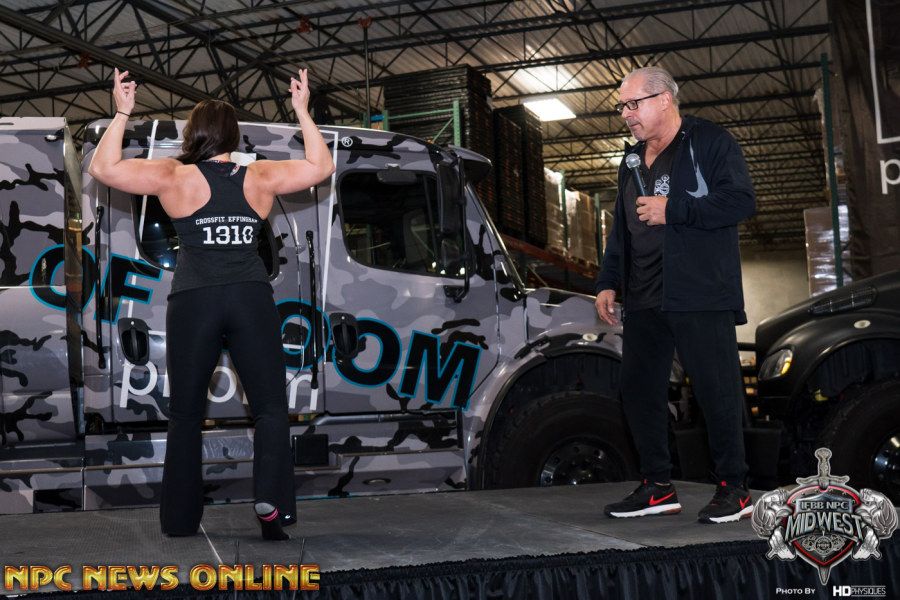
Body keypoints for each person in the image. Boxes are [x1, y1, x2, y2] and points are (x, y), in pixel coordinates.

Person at [88, 67, 334, 540]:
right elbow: (321, 168)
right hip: (249, 297)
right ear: (233, 136)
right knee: (269, 408)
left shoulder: (173, 175)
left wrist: (121, 113)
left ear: (193, 134)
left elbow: (103, 168)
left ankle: (180, 520)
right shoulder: (259, 175)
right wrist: (302, 112)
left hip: (194, 300)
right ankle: (272, 508)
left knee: (185, 414)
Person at [594, 66, 756, 524]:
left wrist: (675, 209)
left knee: (716, 391)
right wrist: (608, 280)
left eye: (633, 104)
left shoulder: (710, 142)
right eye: (621, 106)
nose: (625, 114)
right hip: (644, 294)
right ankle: (657, 487)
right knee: (638, 389)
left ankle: (735, 489)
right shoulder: (630, 159)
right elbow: (621, 227)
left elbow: (741, 201)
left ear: (664, 99)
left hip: (699, 293)